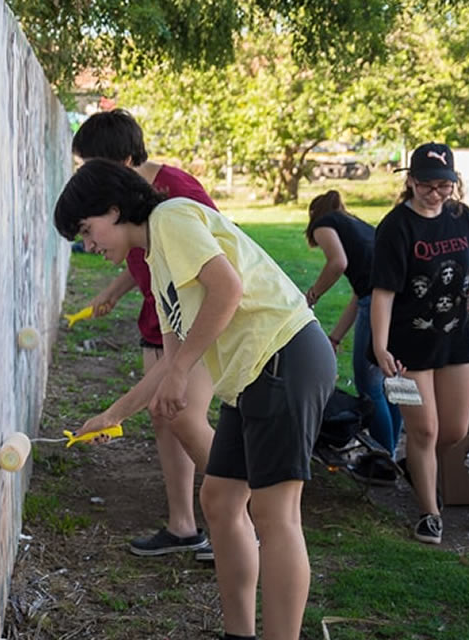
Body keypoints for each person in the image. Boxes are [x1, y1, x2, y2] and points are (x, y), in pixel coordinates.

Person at [55, 159, 335, 640]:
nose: (88, 244)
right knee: (221, 500)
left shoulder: (172, 218)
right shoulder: (154, 258)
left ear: (115, 209)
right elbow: (170, 358)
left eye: (87, 229)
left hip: (284, 356)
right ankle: (238, 633)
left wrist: (182, 371)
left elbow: (228, 290)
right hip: (252, 375)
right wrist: (111, 415)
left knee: (275, 514)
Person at [71, 109, 217, 558]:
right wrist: (114, 291)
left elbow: (211, 263)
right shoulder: (122, 202)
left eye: (95, 166)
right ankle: (183, 526)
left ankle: (239, 519)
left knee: (188, 418)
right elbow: (143, 258)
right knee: (162, 415)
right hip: (161, 322)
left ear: (128, 159)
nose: (89, 179)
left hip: (194, 325)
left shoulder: (177, 194)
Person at [370, 143, 469, 545]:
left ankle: (415, 465)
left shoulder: (462, 217)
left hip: (455, 337)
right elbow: (383, 293)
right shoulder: (396, 227)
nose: (436, 193)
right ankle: (429, 512)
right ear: (410, 181)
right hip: (409, 343)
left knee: (452, 430)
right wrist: (381, 347)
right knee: (424, 431)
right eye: (426, 184)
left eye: (444, 185)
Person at [303, 190, 402, 483]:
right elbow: (358, 295)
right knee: (388, 383)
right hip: (395, 301)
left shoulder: (325, 224)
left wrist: (312, 295)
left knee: (368, 383)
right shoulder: (357, 226)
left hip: (377, 303)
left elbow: (338, 263)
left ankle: (383, 459)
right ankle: (390, 453)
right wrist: (333, 339)